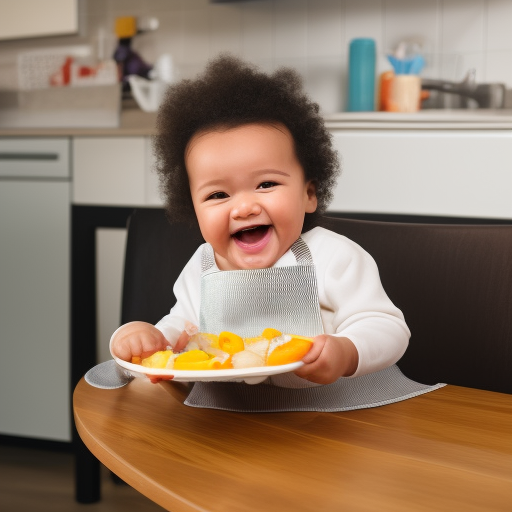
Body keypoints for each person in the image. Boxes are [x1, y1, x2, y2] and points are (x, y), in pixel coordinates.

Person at [110, 55, 410, 386]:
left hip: (330, 419)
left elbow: (387, 327)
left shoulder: (331, 258)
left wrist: (347, 352)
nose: (244, 208)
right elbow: (182, 327)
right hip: (229, 422)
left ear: (309, 193)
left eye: (266, 184)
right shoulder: (203, 267)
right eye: (218, 195)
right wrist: (148, 337)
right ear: (193, 209)